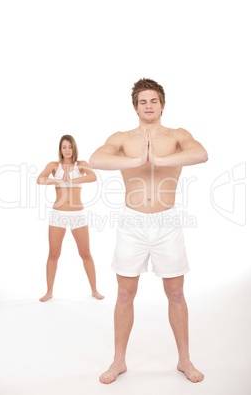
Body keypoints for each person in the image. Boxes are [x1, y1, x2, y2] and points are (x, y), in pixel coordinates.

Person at [89, 78, 208, 384]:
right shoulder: (123, 138)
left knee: (176, 293)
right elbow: (96, 159)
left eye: (153, 100)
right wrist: (136, 160)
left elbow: (200, 154)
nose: (148, 106)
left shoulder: (177, 135)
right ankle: (119, 361)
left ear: (162, 105)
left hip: (167, 222)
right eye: (143, 102)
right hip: (133, 223)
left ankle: (184, 359)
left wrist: (159, 159)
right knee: (125, 293)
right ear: (135, 107)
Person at [37, 134, 104, 302]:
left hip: (77, 214)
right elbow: (40, 179)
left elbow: (93, 176)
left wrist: (73, 179)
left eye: (70, 147)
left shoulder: (80, 165)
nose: (67, 150)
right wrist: (58, 181)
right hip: (58, 214)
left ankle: (94, 290)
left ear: (74, 148)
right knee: (53, 253)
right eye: (64, 147)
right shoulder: (54, 166)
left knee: (85, 253)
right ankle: (49, 291)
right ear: (60, 149)